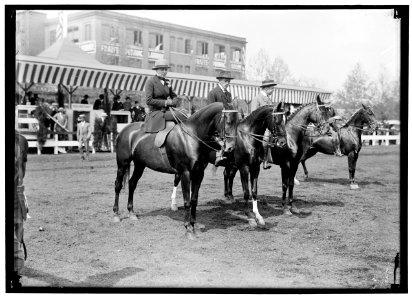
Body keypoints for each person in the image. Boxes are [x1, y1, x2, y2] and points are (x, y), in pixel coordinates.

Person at [144, 58, 187, 133]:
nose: (164, 72)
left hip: (167, 110)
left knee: (184, 113)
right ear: (156, 70)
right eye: (162, 69)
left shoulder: (167, 81)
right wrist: (166, 102)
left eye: (166, 69)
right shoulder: (150, 82)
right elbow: (148, 100)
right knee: (182, 115)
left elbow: (174, 96)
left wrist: (174, 102)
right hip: (156, 112)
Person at [207, 70, 235, 166]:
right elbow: (210, 111)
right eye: (225, 81)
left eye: (228, 81)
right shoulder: (213, 93)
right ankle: (219, 154)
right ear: (219, 81)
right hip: (216, 121)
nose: (227, 83)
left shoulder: (229, 94)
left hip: (226, 121)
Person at [13, 134, 29, 289]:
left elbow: (21, 173)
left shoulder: (21, 142)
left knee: (17, 233)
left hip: (16, 193)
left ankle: (16, 275)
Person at [251, 79, 278, 169]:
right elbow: (253, 115)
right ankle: (264, 161)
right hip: (260, 127)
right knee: (266, 139)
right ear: (266, 88)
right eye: (272, 89)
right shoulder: (257, 99)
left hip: (269, 125)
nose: (273, 90)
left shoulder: (268, 99)